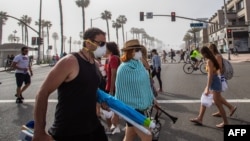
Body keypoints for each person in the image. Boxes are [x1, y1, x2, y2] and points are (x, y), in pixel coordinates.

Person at [32, 28, 108, 141]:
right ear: (88, 43)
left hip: (93, 126)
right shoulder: (70, 61)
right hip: (69, 131)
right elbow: (42, 93)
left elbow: (89, 90)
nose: (104, 47)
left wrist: (102, 101)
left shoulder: (95, 64)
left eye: (105, 43)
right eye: (101, 43)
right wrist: (39, 132)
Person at [115, 39, 155, 141]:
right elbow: (119, 92)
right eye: (137, 50)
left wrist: (153, 99)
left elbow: (145, 85)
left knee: (130, 134)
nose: (140, 52)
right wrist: (116, 114)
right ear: (131, 51)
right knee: (147, 136)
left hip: (141, 106)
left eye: (140, 49)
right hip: (132, 109)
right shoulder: (123, 68)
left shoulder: (139, 65)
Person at [190, 46, 229, 128]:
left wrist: (207, 87)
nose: (201, 55)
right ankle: (200, 118)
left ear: (204, 53)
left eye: (201, 53)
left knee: (218, 103)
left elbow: (210, 75)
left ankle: (226, 122)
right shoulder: (210, 60)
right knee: (204, 99)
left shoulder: (209, 61)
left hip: (214, 82)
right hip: (214, 82)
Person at [208, 44, 237, 117]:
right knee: (217, 97)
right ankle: (224, 110)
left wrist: (214, 73)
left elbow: (220, 68)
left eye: (210, 49)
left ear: (213, 49)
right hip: (215, 78)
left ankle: (230, 108)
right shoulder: (213, 57)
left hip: (218, 78)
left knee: (216, 98)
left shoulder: (217, 56)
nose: (209, 51)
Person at [104, 42, 121, 134]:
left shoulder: (113, 58)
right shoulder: (113, 57)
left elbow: (114, 74)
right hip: (113, 86)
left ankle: (112, 127)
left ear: (109, 49)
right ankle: (115, 126)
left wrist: (111, 89)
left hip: (112, 87)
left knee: (107, 109)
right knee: (114, 108)